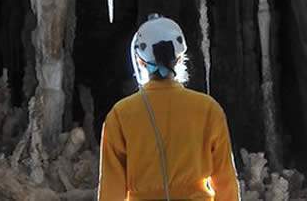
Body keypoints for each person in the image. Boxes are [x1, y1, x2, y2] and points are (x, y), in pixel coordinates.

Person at [98, 15, 241, 200]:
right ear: (180, 58)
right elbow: (226, 183)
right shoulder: (208, 109)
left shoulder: (120, 115)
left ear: (140, 61)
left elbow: (111, 189)